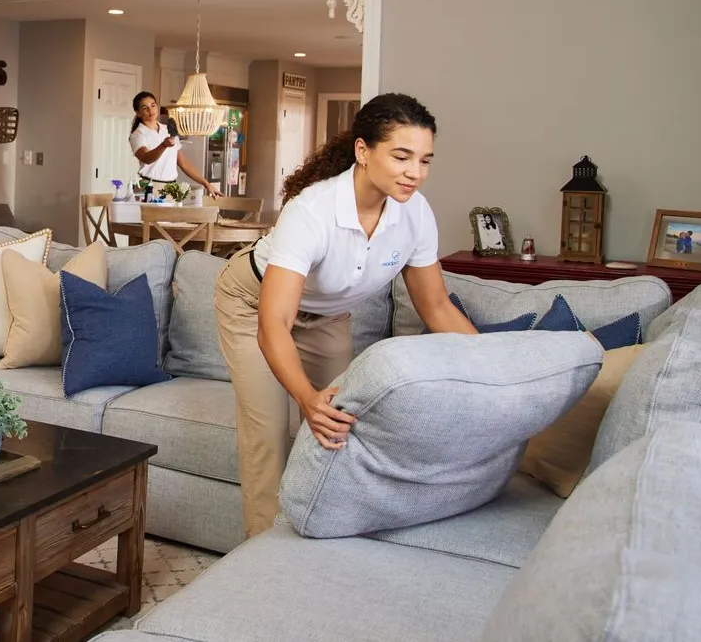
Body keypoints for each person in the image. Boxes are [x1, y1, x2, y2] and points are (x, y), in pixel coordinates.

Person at [212, 92, 478, 537]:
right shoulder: (312, 212)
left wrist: (493, 363)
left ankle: (325, 539)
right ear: (363, 150)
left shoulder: (415, 214)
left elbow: (435, 307)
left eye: (425, 160)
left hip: (327, 317)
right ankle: (264, 567)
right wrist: (306, 398)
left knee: (344, 427)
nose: (415, 172)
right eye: (401, 156)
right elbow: (274, 323)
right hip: (253, 306)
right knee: (270, 435)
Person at [129, 92, 219, 197]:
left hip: (172, 188)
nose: (150, 110)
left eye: (153, 105)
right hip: (149, 187)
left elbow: (184, 163)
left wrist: (206, 183)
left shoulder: (167, 129)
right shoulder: (138, 135)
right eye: (145, 108)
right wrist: (163, 145)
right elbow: (146, 158)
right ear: (138, 113)